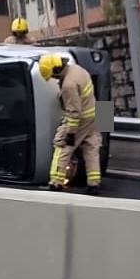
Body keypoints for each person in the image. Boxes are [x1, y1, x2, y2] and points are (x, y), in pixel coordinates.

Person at [39, 53, 102, 194]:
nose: (54, 78)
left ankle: (56, 182)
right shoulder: (78, 69)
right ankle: (94, 184)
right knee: (91, 147)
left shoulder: (68, 85)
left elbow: (74, 111)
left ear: (56, 69)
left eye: (53, 75)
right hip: (96, 113)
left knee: (62, 145)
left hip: (80, 119)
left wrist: (71, 133)